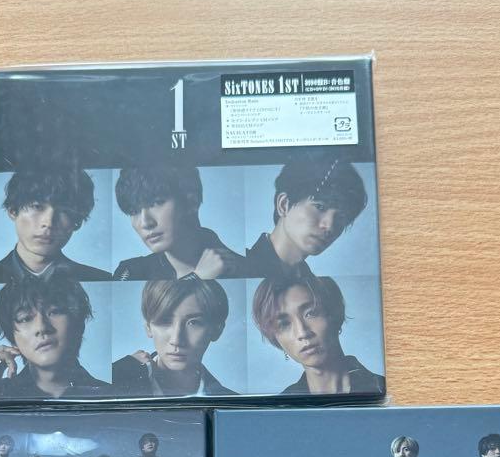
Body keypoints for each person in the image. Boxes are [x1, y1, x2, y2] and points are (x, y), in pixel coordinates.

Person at [0, 274, 110, 402]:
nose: (41, 327)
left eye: (54, 311)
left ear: (78, 323)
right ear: (12, 338)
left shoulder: (108, 394)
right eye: (25, 318)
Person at [252, 274, 385, 396]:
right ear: (276, 340)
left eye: (311, 313)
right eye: (284, 324)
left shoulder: (381, 387)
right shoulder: (281, 406)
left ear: (335, 315)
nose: (302, 333)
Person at [112, 164, 245, 280]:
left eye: (157, 202)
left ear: (191, 201)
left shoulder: (244, 269)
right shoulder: (129, 273)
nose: (145, 223)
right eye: (134, 211)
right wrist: (197, 277)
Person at [0, 168, 111, 285]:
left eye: (64, 211)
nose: (48, 223)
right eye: (37, 206)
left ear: (77, 222)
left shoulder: (100, 279)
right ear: (13, 211)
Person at [245, 155, 367, 280]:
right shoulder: (241, 268)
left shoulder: (319, 288)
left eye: (341, 217)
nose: (329, 226)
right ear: (284, 204)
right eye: (320, 207)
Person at [112, 276, 237, 397]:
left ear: (217, 330)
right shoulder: (116, 381)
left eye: (193, 322)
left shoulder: (232, 402)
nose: (176, 340)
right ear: (148, 327)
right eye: (164, 321)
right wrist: (117, 372)